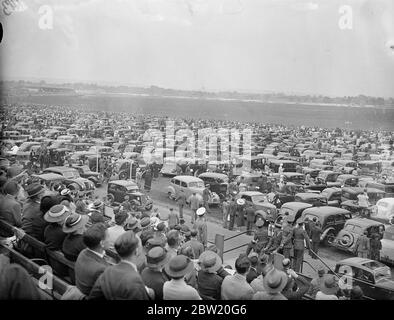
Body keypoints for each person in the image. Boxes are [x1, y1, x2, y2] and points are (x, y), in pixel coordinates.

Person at [89, 231, 151, 300]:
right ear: (136, 251)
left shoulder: (108, 271)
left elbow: (94, 296)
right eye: (140, 245)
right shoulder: (135, 280)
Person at [75, 223, 110, 296]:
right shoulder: (101, 269)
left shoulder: (83, 252)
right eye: (108, 236)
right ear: (102, 243)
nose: (110, 239)